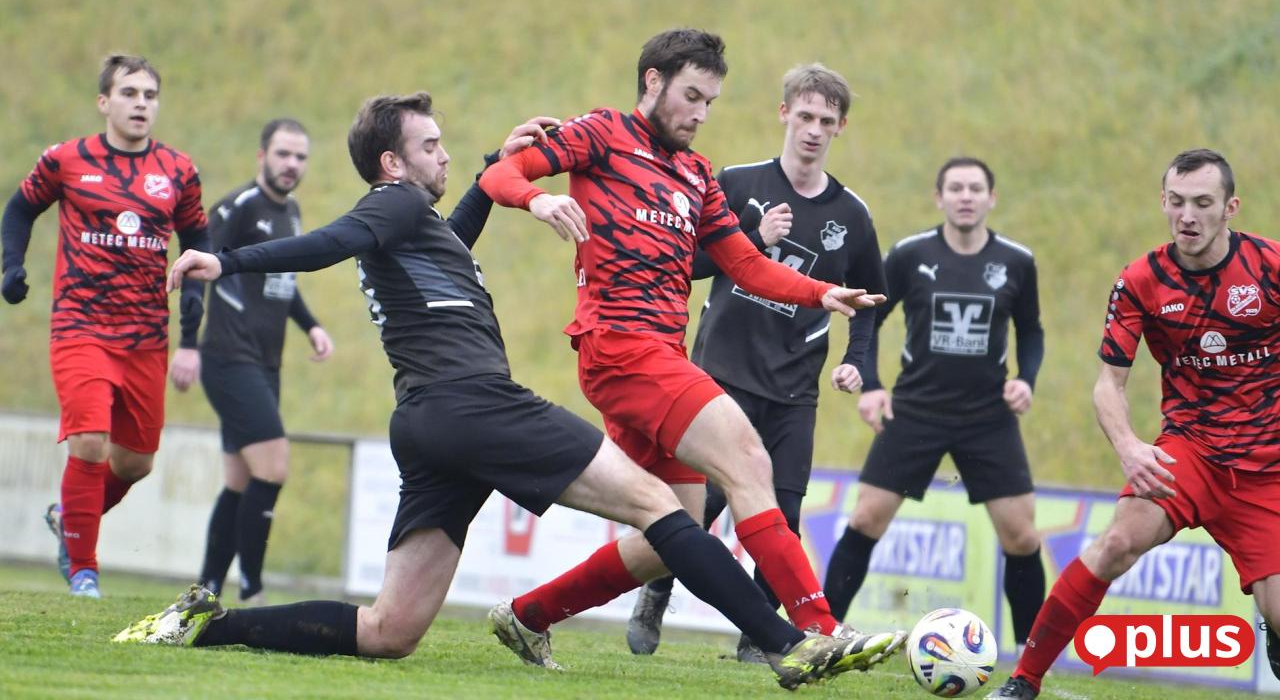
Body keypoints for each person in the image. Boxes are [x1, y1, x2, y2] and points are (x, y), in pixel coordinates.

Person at [115, 91, 901, 692]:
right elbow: (335, 241)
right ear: (393, 164)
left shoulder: (416, 225)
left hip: (427, 420)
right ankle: (784, 645)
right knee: (662, 508)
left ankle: (206, 628)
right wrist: (231, 262)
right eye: (430, 146)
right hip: (475, 403)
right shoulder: (387, 207)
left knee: (390, 630)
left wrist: (503, 160)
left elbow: (454, 231)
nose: (445, 154)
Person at [480, 27, 901, 660]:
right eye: (693, 97)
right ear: (654, 81)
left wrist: (822, 295)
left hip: (659, 357)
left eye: (711, 103)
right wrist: (537, 201)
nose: (701, 114)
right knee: (749, 461)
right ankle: (817, 630)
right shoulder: (602, 133)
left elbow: (747, 265)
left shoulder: (697, 173)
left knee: (666, 533)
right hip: (619, 346)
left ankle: (527, 615)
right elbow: (500, 173)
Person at [986, 148, 1280, 699]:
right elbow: (1108, 384)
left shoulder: (1268, 266)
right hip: (1189, 453)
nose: (1187, 215)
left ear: (1230, 207)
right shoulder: (1143, 280)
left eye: (1202, 203)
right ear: (1163, 203)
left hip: (1269, 470)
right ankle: (1023, 680)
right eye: (1176, 202)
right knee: (1117, 541)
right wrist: (1128, 447)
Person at [625, 62, 887, 662]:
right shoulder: (737, 184)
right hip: (719, 377)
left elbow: (869, 300)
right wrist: (750, 234)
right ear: (784, 114)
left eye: (826, 120)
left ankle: (759, 639)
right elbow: (683, 263)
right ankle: (656, 590)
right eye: (805, 116)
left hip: (794, 390)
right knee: (702, 507)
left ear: (841, 127)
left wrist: (858, 363)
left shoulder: (852, 214)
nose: (813, 130)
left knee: (784, 513)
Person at [0, 54, 209, 598]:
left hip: (145, 335)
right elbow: (20, 209)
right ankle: (85, 570)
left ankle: (66, 515)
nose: (141, 103)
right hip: (81, 326)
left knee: (135, 462)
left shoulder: (179, 171)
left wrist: (190, 334)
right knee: (89, 442)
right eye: (129, 93)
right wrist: (11, 265)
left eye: (150, 95)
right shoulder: (67, 160)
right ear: (104, 102)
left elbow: (199, 251)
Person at [821, 157, 1046, 656]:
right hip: (915, 410)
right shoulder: (908, 254)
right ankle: (823, 634)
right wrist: (873, 385)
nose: (966, 196)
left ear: (992, 199)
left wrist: (1026, 381)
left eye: (975, 188)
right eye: (955, 188)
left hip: (989, 416)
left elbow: (1031, 330)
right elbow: (871, 317)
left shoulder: (1016, 261)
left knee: (1022, 536)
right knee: (865, 520)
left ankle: (1034, 659)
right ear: (938, 198)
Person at [195, 118, 335, 605]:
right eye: (283, 154)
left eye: (300, 157)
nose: (291, 165)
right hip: (228, 358)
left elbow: (283, 281)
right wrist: (187, 345)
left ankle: (208, 586)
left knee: (240, 480)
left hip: (266, 362)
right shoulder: (237, 208)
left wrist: (311, 324)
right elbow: (196, 268)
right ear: (262, 156)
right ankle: (252, 588)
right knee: (274, 466)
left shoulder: (291, 211)